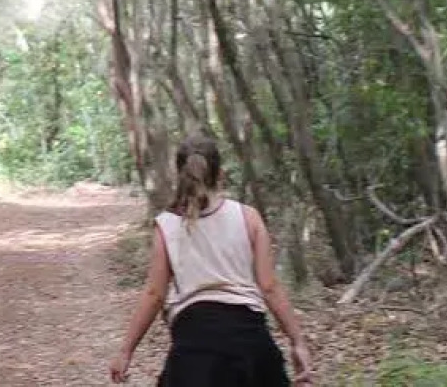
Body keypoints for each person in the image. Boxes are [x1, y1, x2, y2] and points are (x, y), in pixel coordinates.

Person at [109, 137, 313, 385]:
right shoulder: (248, 218)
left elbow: (154, 295)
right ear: (221, 174)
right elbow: (269, 287)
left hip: (194, 352)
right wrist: (297, 342)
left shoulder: (167, 225)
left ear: (179, 175)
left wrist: (125, 352)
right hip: (251, 347)